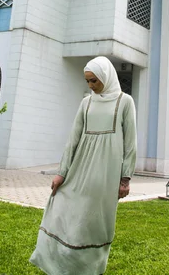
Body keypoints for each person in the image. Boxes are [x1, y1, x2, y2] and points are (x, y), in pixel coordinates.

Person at [29, 56, 137, 275]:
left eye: (94, 81)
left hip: (105, 174)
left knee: (94, 223)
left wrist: (125, 179)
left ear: (105, 77)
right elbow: (73, 139)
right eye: (87, 81)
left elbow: (130, 144)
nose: (90, 86)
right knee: (64, 211)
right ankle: (60, 264)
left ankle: (90, 268)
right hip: (79, 169)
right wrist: (62, 173)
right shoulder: (86, 102)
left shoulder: (125, 101)